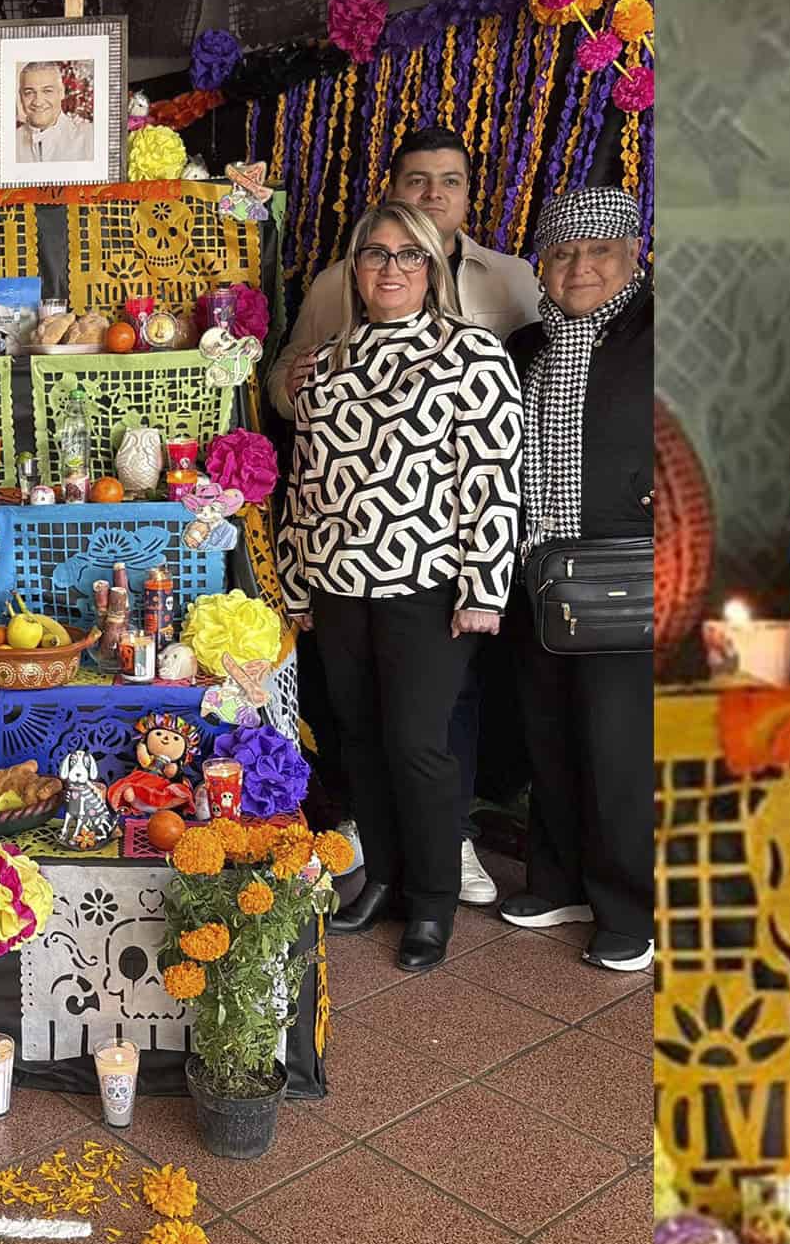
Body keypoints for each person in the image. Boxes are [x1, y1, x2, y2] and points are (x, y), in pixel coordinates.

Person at [272, 126, 541, 908]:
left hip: (426, 587)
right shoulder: (322, 364)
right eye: (376, 255)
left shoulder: (472, 356)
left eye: (408, 255)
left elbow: (493, 482)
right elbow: (306, 483)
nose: (391, 268)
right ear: (355, 269)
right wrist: (295, 584)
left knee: (419, 746)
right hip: (336, 585)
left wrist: (485, 588)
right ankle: (383, 880)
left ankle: (431, 904)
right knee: (361, 741)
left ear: (430, 266)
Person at [498, 187, 655, 973]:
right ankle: (555, 879)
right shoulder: (525, 344)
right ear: (543, 266)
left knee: (619, 745)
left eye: (598, 249)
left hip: (625, 573)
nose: (580, 265)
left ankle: (629, 907)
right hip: (535, 571)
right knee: (548, 733)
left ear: (632, 253)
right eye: (562, 252)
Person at [14, 60, 97, 164]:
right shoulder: (10, 142)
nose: (38, 102)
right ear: (21, 96)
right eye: (29, 92)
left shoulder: (91, 137)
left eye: (47, 91)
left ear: (61, 92)